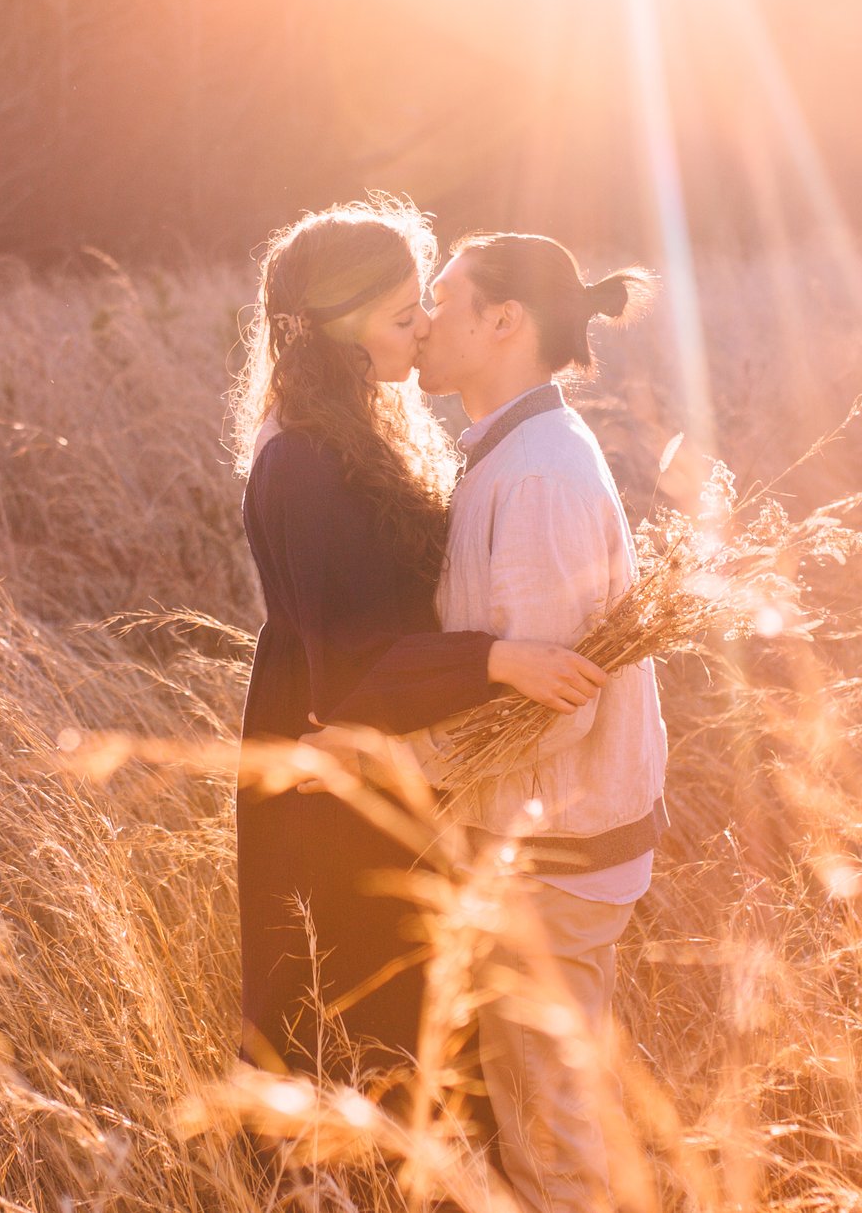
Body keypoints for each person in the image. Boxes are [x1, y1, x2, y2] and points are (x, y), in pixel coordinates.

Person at [315, 230, 664, 1213]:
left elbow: (547, 709)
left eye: (445, 298)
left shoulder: (541, 475)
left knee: (551, 1140)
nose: (421, 323)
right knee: (536, 1111)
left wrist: (409, 763)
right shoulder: (511, 452)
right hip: (541, 847)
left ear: (503, 320)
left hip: (554, 854)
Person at [227, 199, 610, 1084]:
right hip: (331, 761)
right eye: (405, 316)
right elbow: (353, 663)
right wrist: (494, 658)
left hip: (379, 741)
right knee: (359, 1013)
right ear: (341, 328)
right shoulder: (306, 460)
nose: (425, 327)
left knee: (407, 1009)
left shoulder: (353, 425)